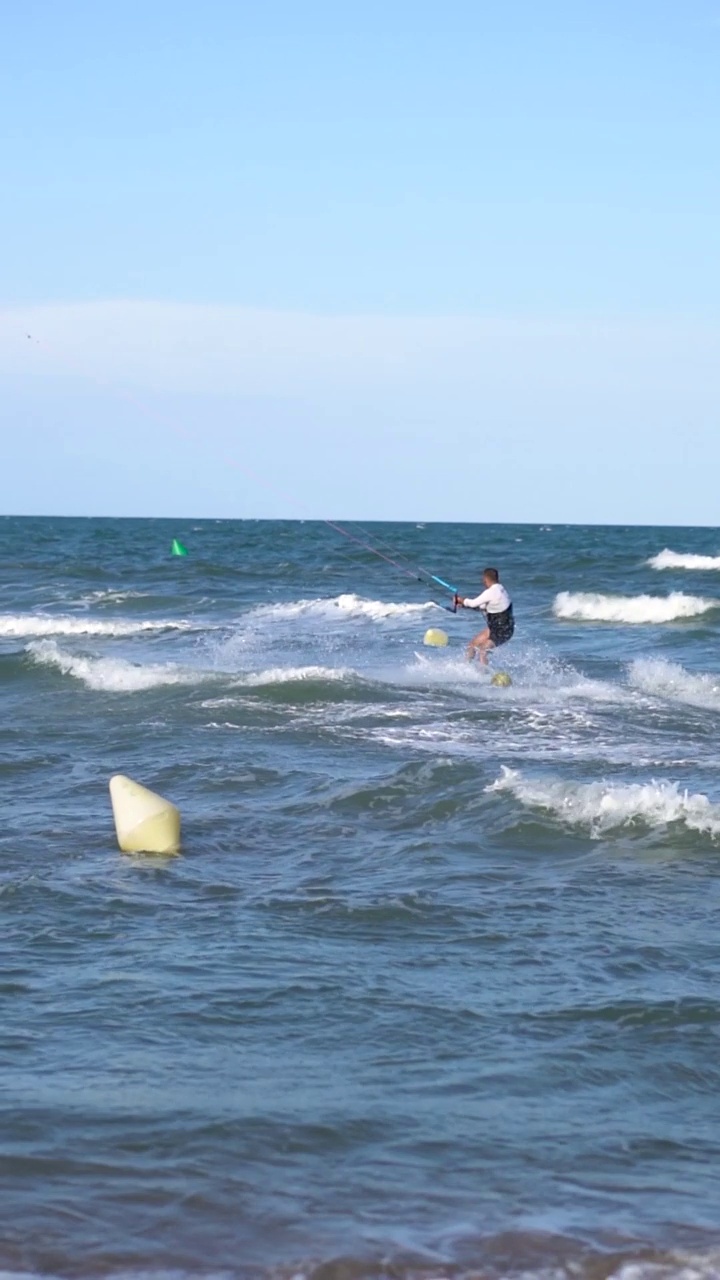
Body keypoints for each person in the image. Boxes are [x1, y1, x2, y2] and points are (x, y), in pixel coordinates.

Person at [455, 567, 514, 663]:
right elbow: (481, 607)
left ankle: (483, 675)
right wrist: (463, 605)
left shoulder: (492, 592)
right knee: (473, 644)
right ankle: (466, 667)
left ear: (485, 579)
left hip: (502, 631)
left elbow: (473, 603)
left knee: (483, 650)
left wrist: (460, 599)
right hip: (499, 628)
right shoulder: (501, 590)